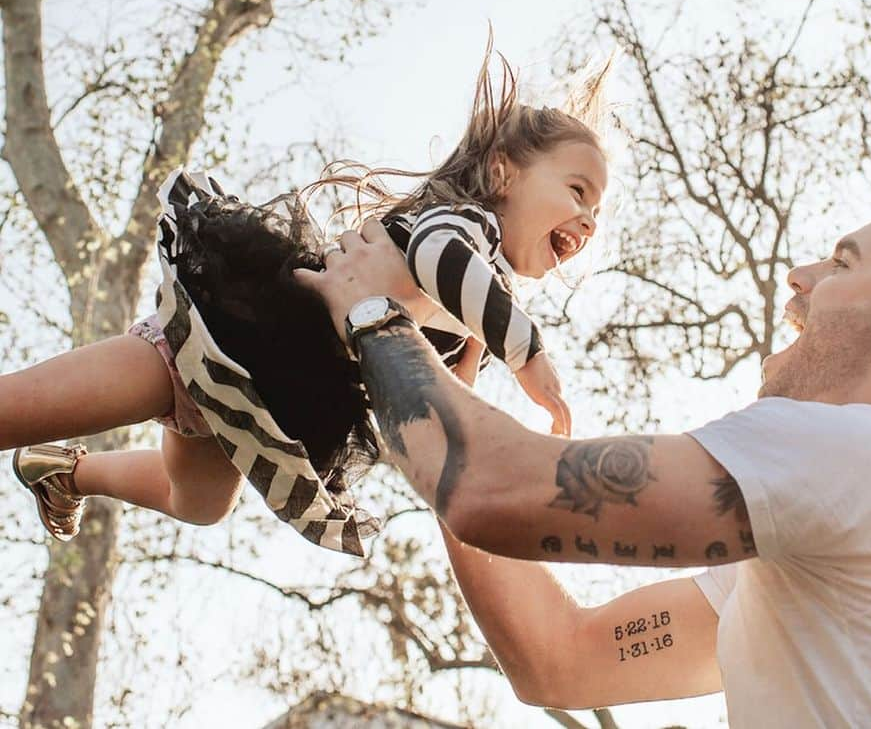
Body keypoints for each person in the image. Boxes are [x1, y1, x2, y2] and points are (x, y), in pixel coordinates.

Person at [296, 213, 871, 726]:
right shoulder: (833, 542)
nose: (800, 277)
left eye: (841, 263)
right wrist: (431, 388)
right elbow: (560, 657)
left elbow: (493, 487)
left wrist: (372, 313)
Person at [5, 42, 609, 556]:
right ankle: (44, 445)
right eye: (577, 191)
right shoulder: (466, 227)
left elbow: (420, 399)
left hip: (260, 410)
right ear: (503, 175)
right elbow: (439, 258)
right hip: (232, 342)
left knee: (197, 504)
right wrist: (528, 354)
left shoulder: (476, 308)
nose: (587, 220)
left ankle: (64, 469)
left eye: (597, 213)